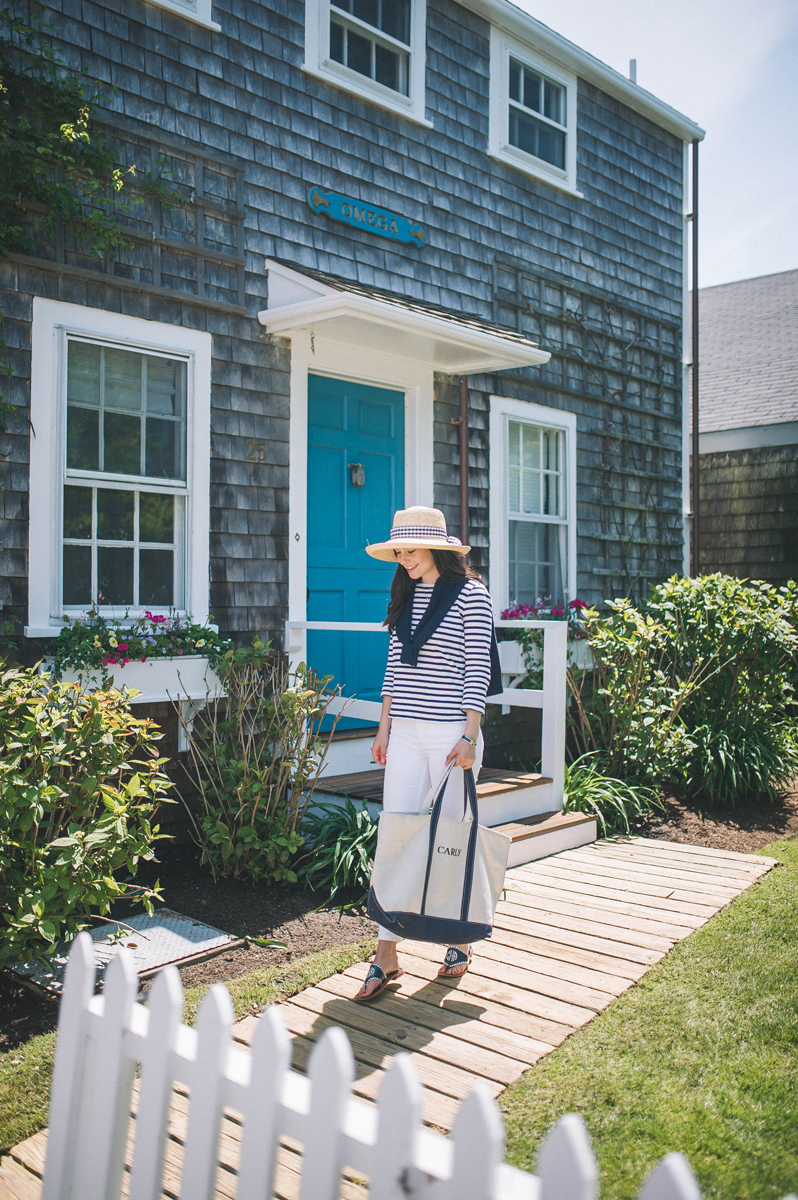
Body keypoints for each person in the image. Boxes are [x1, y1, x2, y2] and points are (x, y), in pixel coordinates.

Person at [355, 506, 495, 1001]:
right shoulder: (404, 592)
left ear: (437, 548)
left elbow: (477, 666)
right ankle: (386, 953)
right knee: (396, 833)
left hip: (451, 736)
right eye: (399, 551)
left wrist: (470, 736)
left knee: (451, 838)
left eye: (410, 549)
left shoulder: (471, 595)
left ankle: (458, 939)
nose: (404, 558)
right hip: (408, 734)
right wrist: (383, 727)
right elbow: (394, 667)